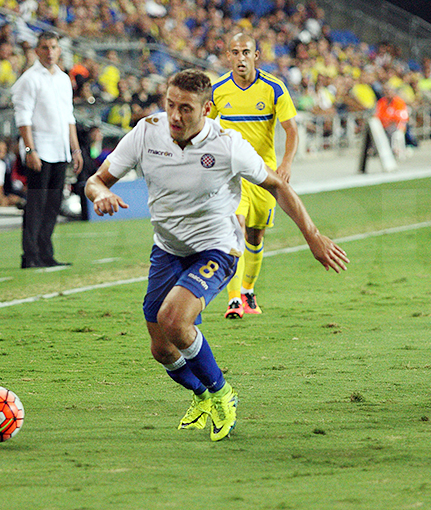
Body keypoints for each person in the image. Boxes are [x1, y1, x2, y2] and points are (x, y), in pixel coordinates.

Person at [85, 69, 348, 441]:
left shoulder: (227, 145)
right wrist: (100, 195)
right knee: (161, 348)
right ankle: (202, 395)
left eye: (186, 109)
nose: (175, 116)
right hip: (168, 249)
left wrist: (314, 237)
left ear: (207, 109)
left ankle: (223, 394)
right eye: (171, 105)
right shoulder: (147, 132)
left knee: (174, 320)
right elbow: (95, 180)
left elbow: (277, 186)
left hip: (217, 247)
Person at [210, 32, 299, 318]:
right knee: (234, 230)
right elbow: (204, 127)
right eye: (234, 53)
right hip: (232, 174)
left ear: (256, 56)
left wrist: (285, 163)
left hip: (264, 174)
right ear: (228, 57)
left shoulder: (274, 88)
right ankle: (233, 299)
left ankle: (248, 290)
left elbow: (291, 129)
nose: (240, 58)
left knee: (255, 235)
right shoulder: (218, 89)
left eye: (246, 52)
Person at [11, 31, 83, 268]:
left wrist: (75, 149)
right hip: (40, 149)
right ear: (36, 51)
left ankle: (45, 252)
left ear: (59, 50)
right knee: (36, 202)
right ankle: (29, 255)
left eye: (53, 47)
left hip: (60, 149)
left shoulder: (63, 78)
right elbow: (23, 117)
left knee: (53, 203)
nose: (49, 52)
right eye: (44, 47)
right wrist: (30, 149)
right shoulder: (29, 79)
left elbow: (68, 117)